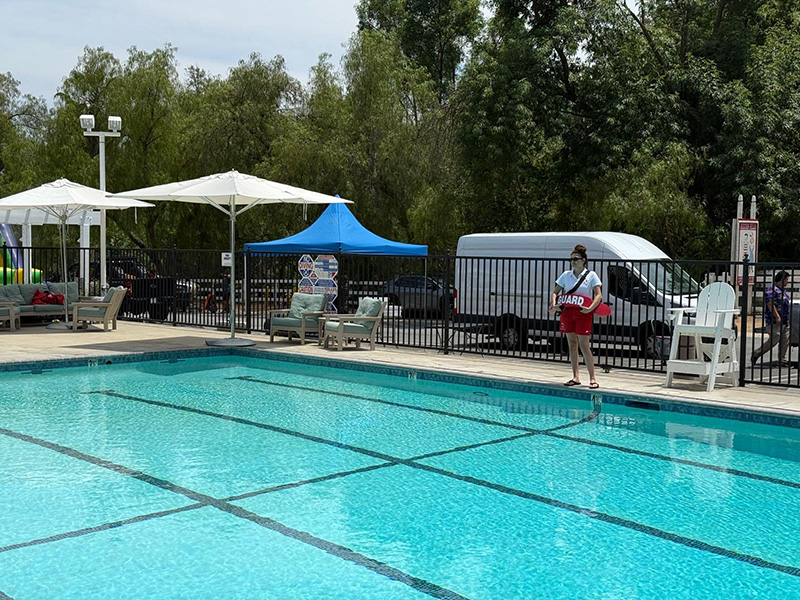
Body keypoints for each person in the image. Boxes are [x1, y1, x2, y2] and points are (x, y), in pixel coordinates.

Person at [550, 244, 603, 389]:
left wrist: (590, 309)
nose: (573, 262)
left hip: (583, 313)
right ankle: (575, 376)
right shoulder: (566, 275)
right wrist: (554, 304)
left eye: (576, 259)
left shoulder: (591, 275)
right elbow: (555, 292)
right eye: (571, 259)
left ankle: (592, 378)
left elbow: (598, 295)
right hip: (568, 313)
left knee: (585, 346)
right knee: (572, 345)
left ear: (584, 260)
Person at [751, 271, 791, 368]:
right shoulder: (771, 290)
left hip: (785, 320)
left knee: (785, 341)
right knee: (774, 339)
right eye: (786, 279)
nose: (787, 282)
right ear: (781, 279)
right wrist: (777, 316)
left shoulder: (783, 291)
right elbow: (770, 304)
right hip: (774, 320)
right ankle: (756, 353)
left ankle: (782, 361)